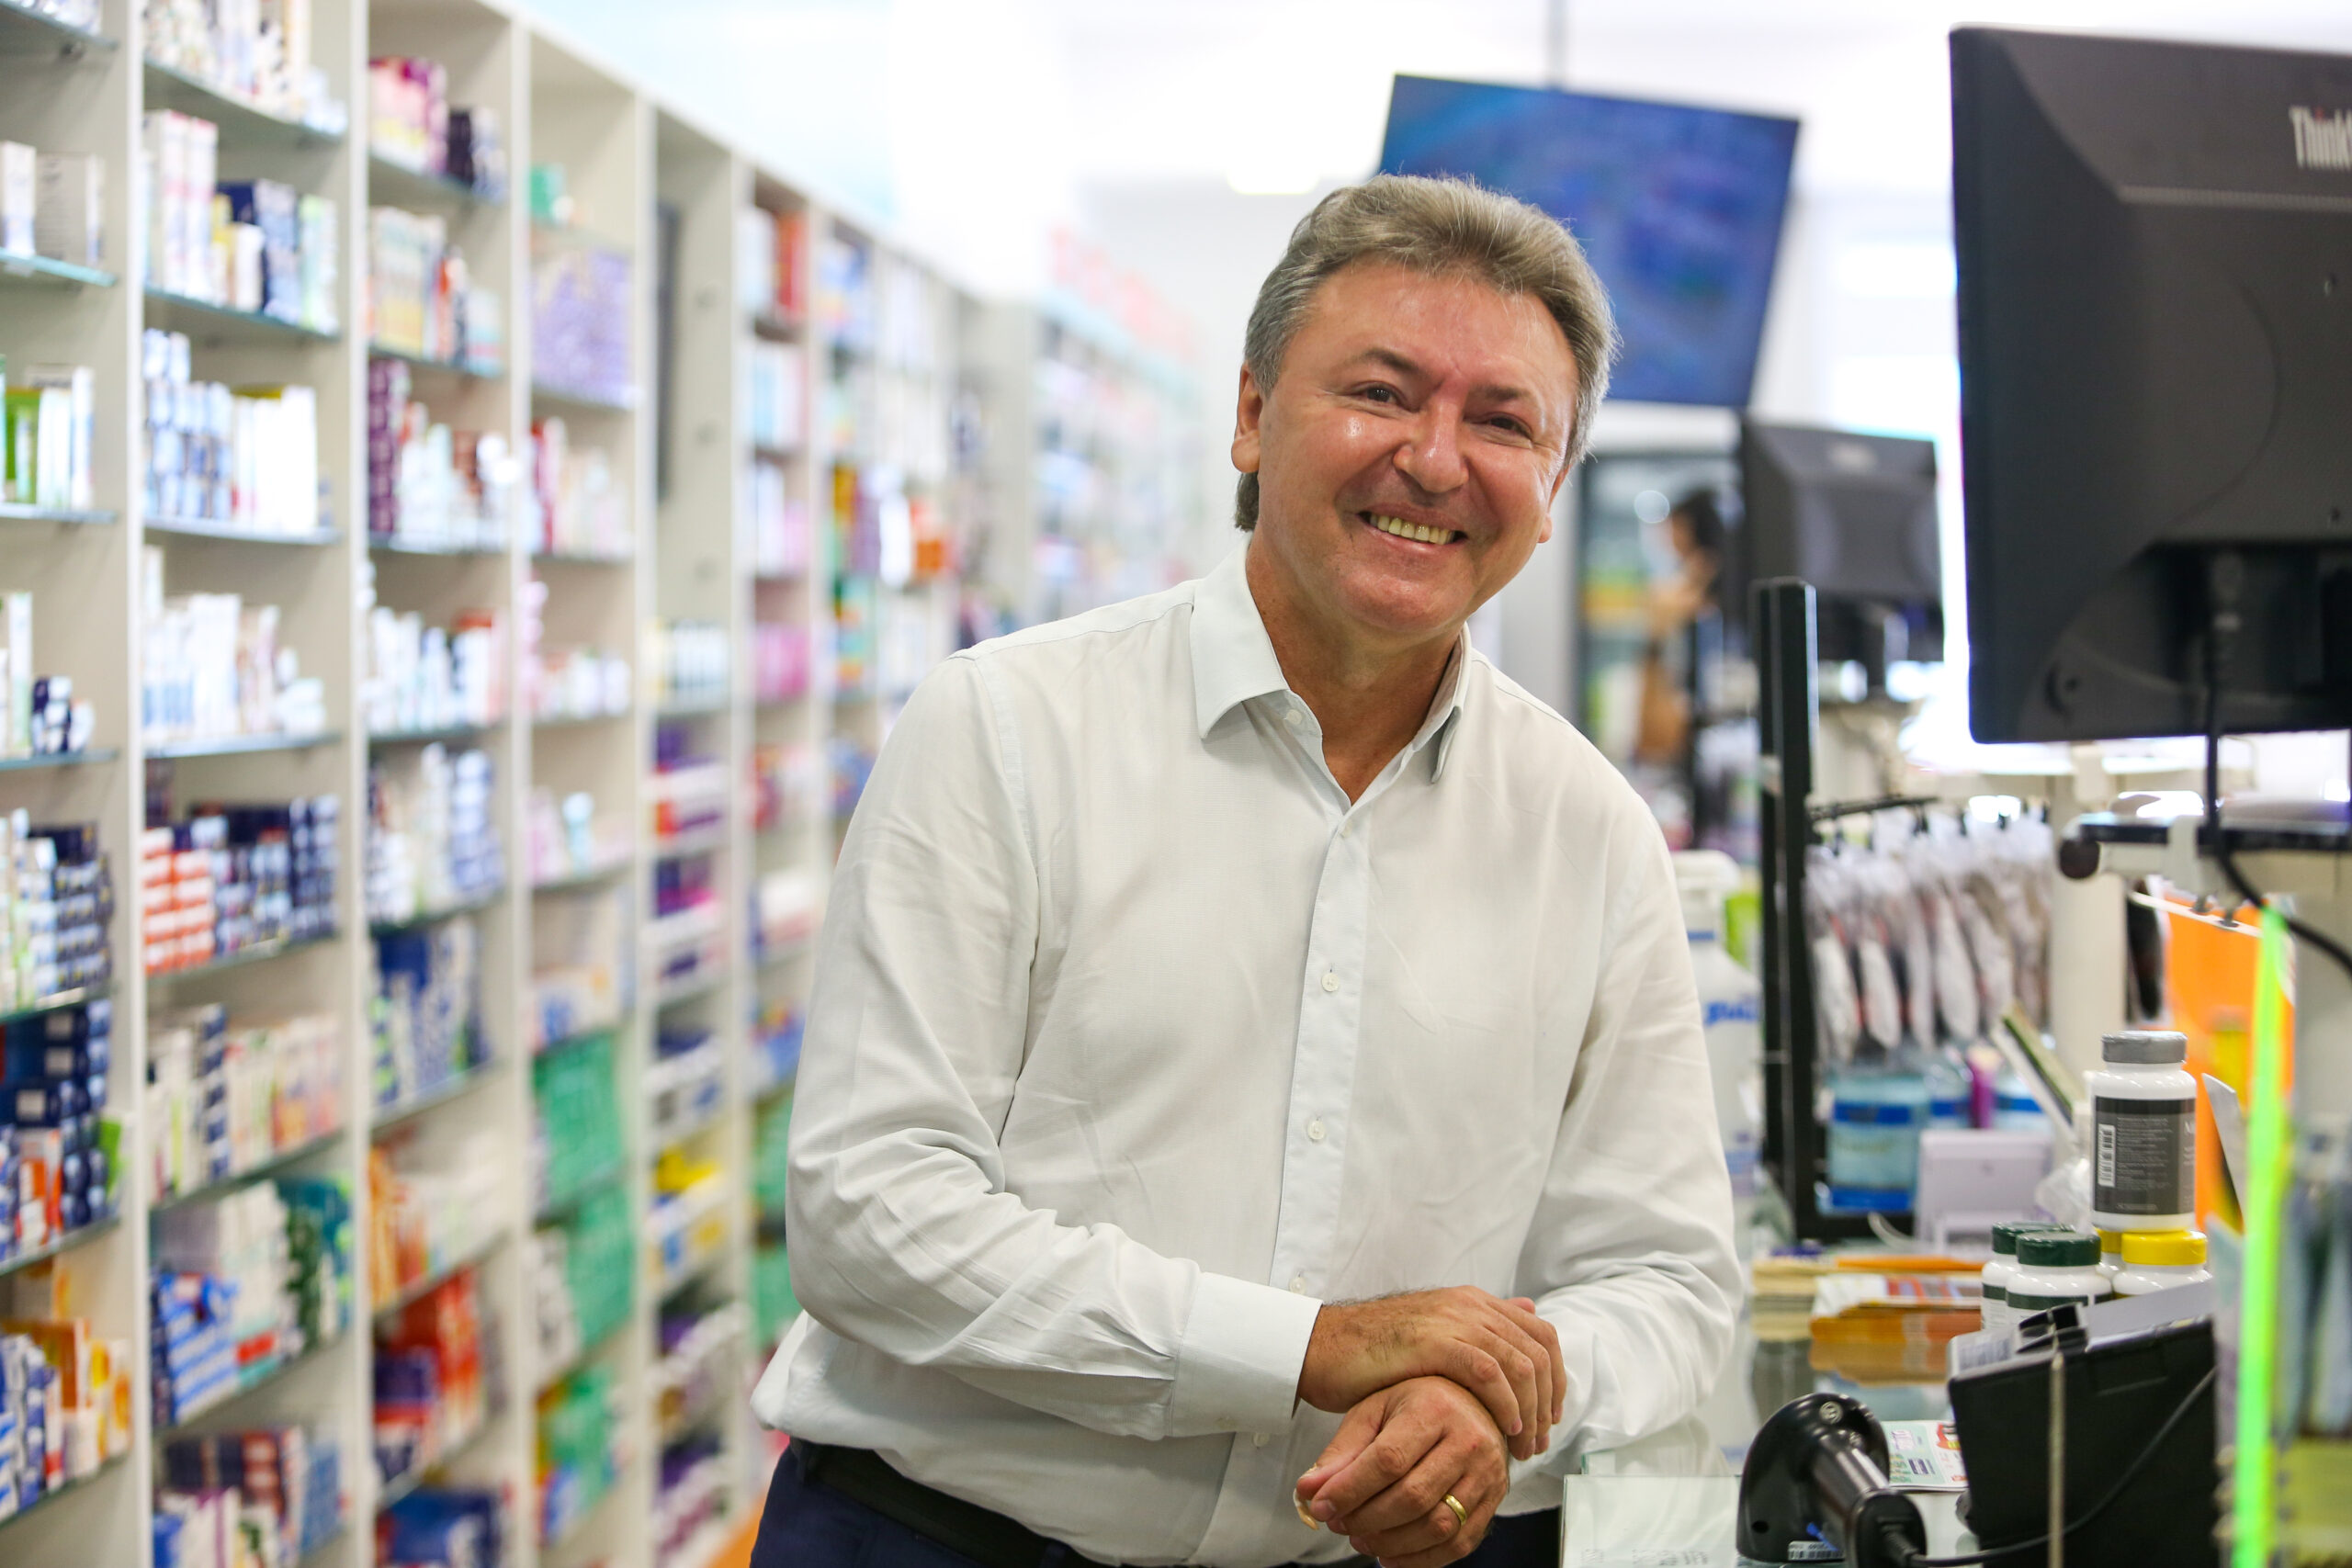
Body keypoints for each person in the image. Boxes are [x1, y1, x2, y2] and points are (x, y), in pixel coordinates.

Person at [749, 175, 1739, 1568]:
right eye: (1382, 392)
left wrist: (1499, 1396)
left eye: (1505, 420)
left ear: (1556, 487)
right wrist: (1305, 1352)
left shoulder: (1591, 832)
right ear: (1253, 416)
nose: (1438, 459)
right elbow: (868, 1214)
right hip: (951, 1539)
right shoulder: (1009, 729)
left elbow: (1671, 1281)